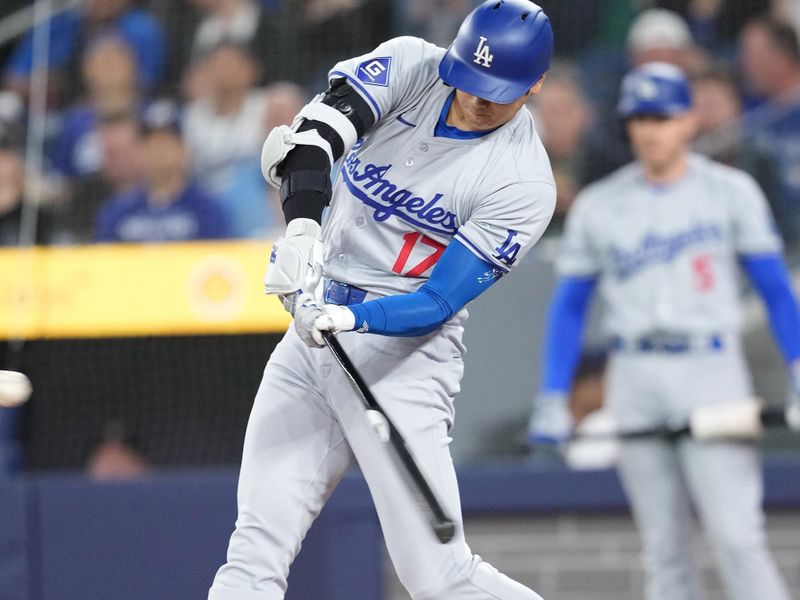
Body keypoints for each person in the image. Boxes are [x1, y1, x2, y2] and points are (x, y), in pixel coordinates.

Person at [209, 2, 556, 599]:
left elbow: (440, 301)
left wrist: (352, 317)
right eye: (468, 80)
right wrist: (302, 230)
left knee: (438, 578)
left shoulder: (523, 181)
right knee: (255, 546)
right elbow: (313, 142)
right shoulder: (411, 66)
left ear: (535, 85)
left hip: (403, 358)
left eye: (496, 92)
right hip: (310, 340)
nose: (475, 100)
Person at [528, 62, 800, 600]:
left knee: (736, 539)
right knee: (663, 549)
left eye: (662, 116)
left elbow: (774, 289)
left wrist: (797, 363)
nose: (651, 129)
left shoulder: (731, 191)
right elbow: (569, 307)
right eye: (640, 117)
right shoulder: (600, 205)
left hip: (711, 369)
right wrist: (554, 394)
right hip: (635, 373)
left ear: (688, 120)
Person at [94, 100, 227, 243]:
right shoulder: (118, 212)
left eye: (165, 142)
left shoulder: (206, 210)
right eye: (149, 143)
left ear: (183, 149)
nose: (157, 151)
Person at [739, 18, 800, 248]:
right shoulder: (747, 109)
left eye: (751, 55)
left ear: (780, 58)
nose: (743, 64)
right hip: (771, 231)